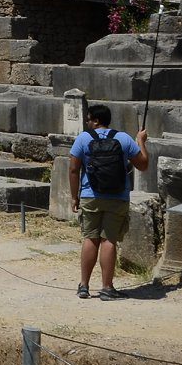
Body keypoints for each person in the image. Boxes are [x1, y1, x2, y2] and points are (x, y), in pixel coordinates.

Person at [68, 105, 148, 300]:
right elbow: (143, 165)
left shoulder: (83, 138)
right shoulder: (123, 139)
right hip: (117, 197)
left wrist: (74, 196)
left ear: (95, 120)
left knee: (90, 238)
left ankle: (84, 285)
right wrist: (141, 141)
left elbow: (73, 169)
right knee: (108, 240)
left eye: (88, 119)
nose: (87, 123)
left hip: (90, 195)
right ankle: (107, 287)